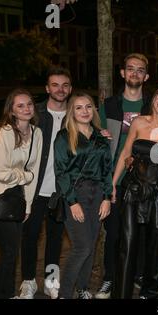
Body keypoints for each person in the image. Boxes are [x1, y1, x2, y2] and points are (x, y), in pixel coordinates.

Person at [112, 84, 158, 299]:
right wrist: (112, 184)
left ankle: (150, 293)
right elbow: (125, 153)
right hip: (132, 188)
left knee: (155, 243)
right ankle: (121, 293)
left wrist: (142, 163)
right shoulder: (138, 121)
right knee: (127, 242)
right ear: (153, 99)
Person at [96, 53, 151, 299]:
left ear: (146, 76)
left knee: (140, 231)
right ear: (122, 73)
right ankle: (109, 278)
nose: (135, 73)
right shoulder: (109, 106)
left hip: (143, 179)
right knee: (115, 234)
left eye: (140, 70)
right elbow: (94, 138)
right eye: (130, 69)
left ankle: (138, 274)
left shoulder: (151, 105)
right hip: (115, 179)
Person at [19, 67, 72, 299]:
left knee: (55, 238)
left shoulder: (75, 113)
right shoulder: (36, 114)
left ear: (70, 88)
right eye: (55, 85)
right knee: (29, 237)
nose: (60, 89)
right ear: (47, 88)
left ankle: (51, 280)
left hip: (60, 191)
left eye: (65, 85)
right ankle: (28, 281)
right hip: (33, 190)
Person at [54, 93, 113, 299]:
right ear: (72, 112)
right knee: (82, 247)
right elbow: (61, 172)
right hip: (75, 194)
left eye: (88, 106)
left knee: (91, 244)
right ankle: (64, 294)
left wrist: (107, 197)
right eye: (79, 108)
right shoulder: (64, 137)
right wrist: (72, 202)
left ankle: (82, 288)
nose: (85, 111)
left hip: (97, 195)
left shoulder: (100, 136)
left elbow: (107, 169)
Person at [0, 88, 43, 298]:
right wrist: (24, 177)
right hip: (0, 195)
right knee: (9, 253)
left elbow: (35, 171)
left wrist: (28, 204)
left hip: (19, 197)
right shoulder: (5, 132)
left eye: (29, 104)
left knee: (12, 252)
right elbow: (1, 173)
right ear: (11, 110)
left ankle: (8, 293)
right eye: (20, 105)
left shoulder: (37, 133)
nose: (26, 108)